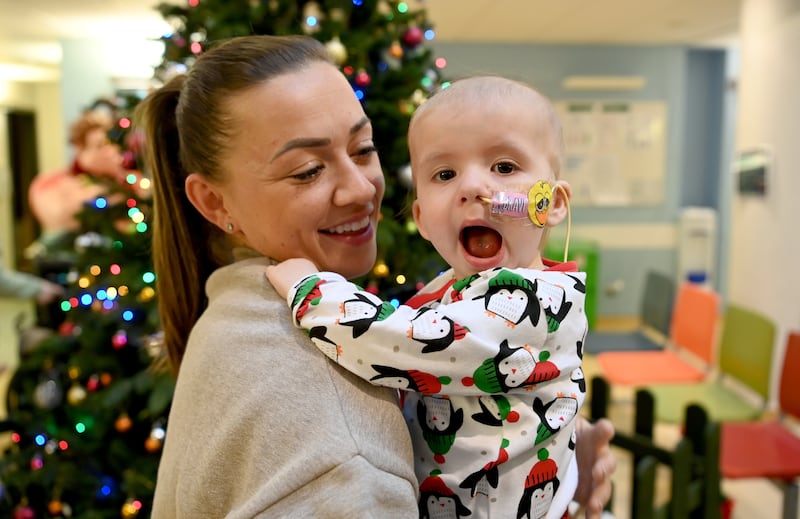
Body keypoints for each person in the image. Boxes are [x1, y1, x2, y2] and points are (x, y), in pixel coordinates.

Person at [136, 34, 614, 518]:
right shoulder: (342, 446)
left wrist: (557, 457)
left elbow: (418, 346)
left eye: (363, 149)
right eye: (307, 170)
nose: (362, 188)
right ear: (215, 202)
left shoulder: (235, 308)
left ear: (552, 203)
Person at [267, 76, 591, 519]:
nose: (473, 188)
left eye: (504, 167)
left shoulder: (532, 303)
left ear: (553, 204)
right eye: (444, 174)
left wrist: (311, 288)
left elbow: (403, 341)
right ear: (421, 217)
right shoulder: (450, 288)